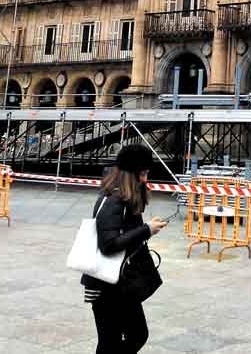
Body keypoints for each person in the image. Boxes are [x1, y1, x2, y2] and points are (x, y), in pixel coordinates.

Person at [82, 145, 168, 353]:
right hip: (106, 286)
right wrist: (147, 229)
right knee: (124, 337)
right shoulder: (113, 199)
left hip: (117, 284)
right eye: (144, 173)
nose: (146, 179)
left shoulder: (123, 197)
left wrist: (145, 227)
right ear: (132, 173)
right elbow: (109, 245)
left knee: (120, 339)